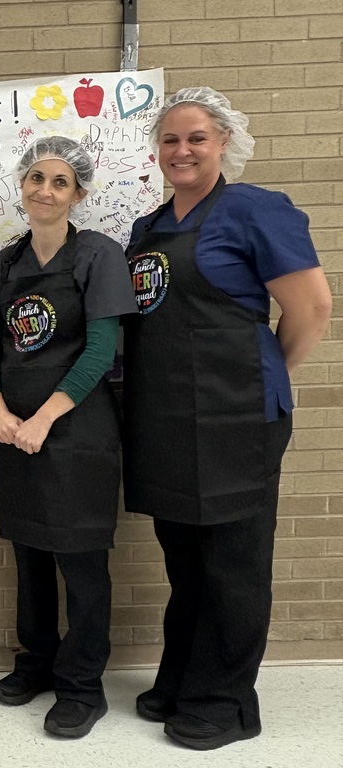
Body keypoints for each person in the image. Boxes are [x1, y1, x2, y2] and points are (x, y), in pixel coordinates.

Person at [122, 87, 332, 751]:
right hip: (165, 419)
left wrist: (266, 377)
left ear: (224, 144)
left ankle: (224, 701)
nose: (181, 151)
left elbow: (313, 309)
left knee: (232, 564)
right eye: (170, 140)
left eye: (196, 138)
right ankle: (183, 678)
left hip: (237, 417)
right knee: (186, 560)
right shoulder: (147, 229)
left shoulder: (256, 211)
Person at [0, 137, 137, 738]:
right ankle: (36, 662)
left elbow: (101, 350)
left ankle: (82, 686)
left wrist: (44, 418)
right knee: (30, 553)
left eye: (60, 181)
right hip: (11, 430)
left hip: (77, 432)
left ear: (79, 194)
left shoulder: (98, 255)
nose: (44, 189)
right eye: (36, 177)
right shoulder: (6, 263)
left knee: (82, 563)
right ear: (22, 186)